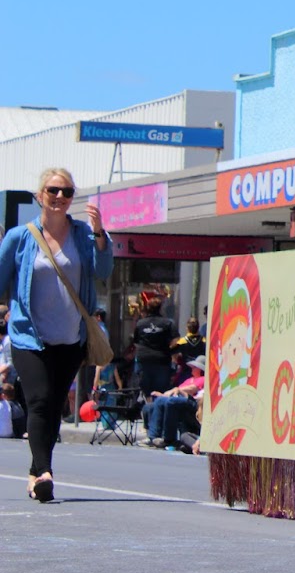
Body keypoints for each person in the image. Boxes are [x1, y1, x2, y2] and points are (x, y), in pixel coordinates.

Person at [0, 167, 114, 502]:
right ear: (40, 195)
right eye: (53, 190)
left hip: (71, 337)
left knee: (53, 409)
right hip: (28, 336)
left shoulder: (82, 234)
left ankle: (36, 473)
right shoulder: (20, 237)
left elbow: (103, 272)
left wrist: (100, 236)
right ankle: (46, 471)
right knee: (38, 401)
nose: (60, 197)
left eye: (67, 192)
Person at [131, 293, 178, 396]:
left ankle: (146, 407)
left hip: (144, 360)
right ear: (160, 309)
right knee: (161, 392)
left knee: (145, 391)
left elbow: (136, 342)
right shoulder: (168, 323)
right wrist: (169, 349)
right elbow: (176, 340)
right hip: (162, 360)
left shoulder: (140, 324)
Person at [143, 370, 204, 449]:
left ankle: (169, 439)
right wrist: (168, 393)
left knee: (171, 401)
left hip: (196, 402)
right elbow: (179, 391)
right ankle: (153, 437)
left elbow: (192, 389)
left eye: (194, 367)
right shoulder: (189, 379)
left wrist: (177, 390)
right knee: (160, 400)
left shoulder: (203, 379)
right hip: (183, 397)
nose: (192, 368)